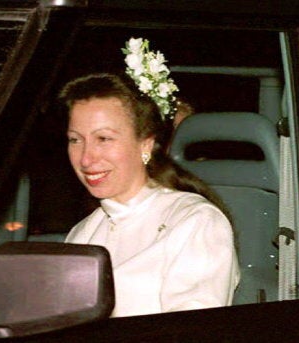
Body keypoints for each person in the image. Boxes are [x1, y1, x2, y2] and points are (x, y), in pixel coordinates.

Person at [58, 50, 239, 316]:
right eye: (75, 139)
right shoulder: (84, 231)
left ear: (146, 145)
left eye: (104, 139)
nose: (86, 158)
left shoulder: (195, 223)